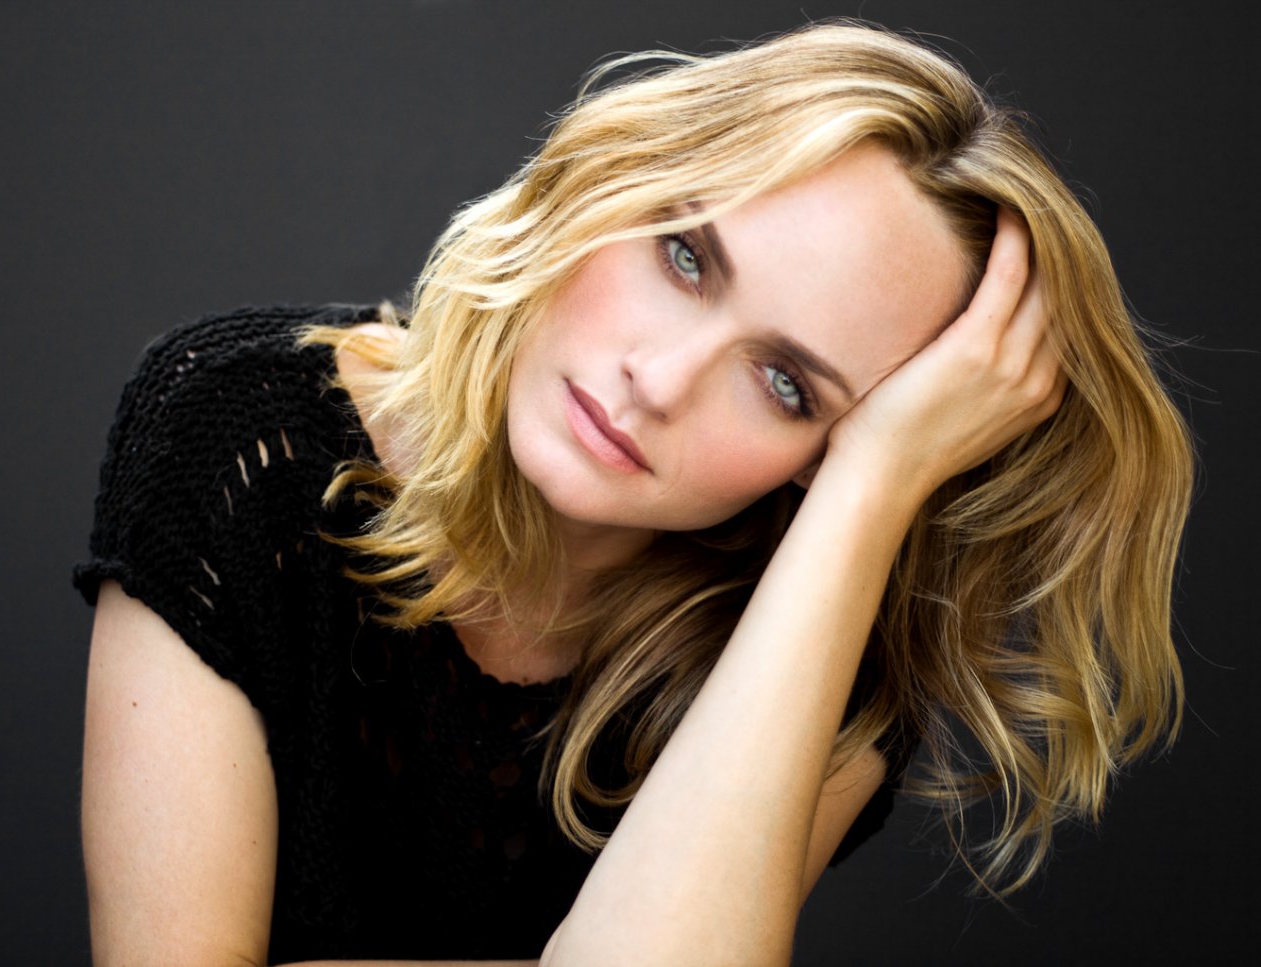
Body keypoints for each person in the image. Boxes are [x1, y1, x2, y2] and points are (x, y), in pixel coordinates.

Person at [74, 20, 1192, 967]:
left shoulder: (824, 658)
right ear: (618, 181)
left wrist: (873, 486)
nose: (657, 381)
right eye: (685, 256)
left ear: (827, 455)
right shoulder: (239, 433)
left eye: (786, 384)